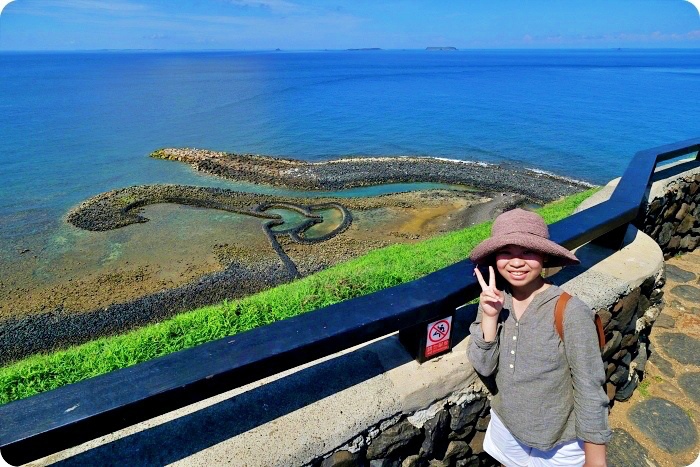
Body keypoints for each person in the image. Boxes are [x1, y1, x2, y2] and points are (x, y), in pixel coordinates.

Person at [467, 208, 610, 467]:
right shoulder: (495, 299)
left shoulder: (570, 312)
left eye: (528, 252)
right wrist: (489, 315)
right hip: (506, 426)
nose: (516, 262)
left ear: (544, 256)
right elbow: (485, 366)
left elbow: (590, 387)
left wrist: (596, 460)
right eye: (506, 253)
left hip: (559, 442)